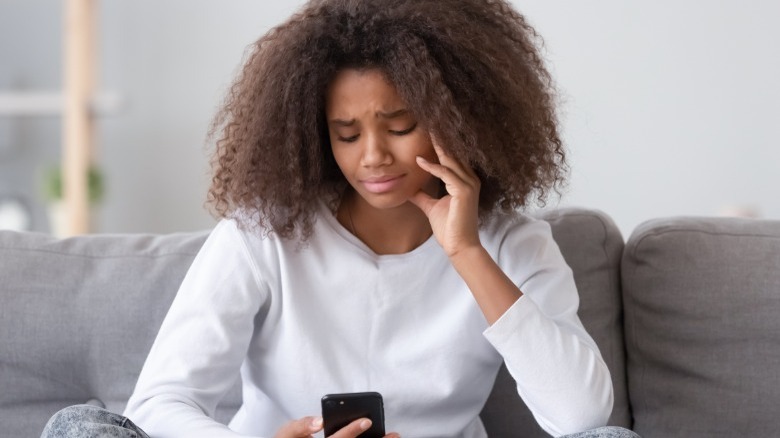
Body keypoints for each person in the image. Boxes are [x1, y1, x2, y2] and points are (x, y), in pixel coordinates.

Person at [42, 0, 640, 437]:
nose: (372, 156)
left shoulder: (514, 245)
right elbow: (158, 405)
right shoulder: (261, 237)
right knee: (80, 429)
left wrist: (465, 252)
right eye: (346, 134)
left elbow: (583, 416)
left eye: (399, 126)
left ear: (458, 119)